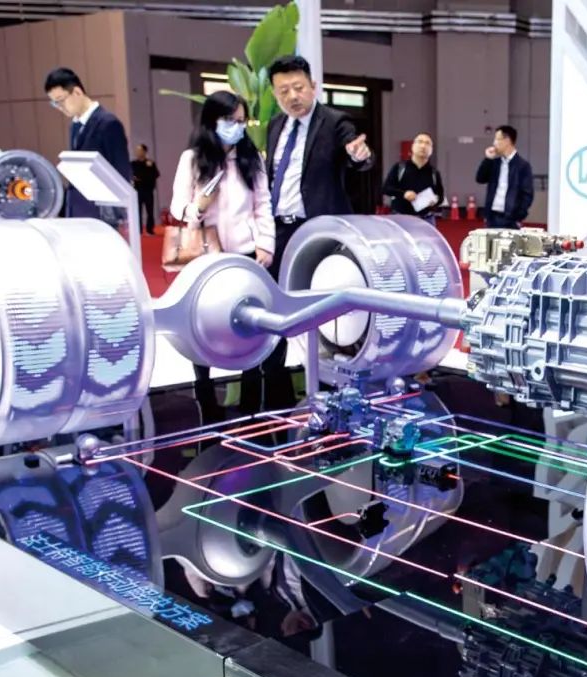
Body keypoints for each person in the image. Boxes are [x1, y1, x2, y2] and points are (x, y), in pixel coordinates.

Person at [261, 54, 373, 410]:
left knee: (324, 305)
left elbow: (359, 155)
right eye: (283, 91)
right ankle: (274, 383)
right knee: (276, 301)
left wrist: (358, 155)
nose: (292, 96)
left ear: (312, 86)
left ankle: (330, 379)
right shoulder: (275, 126)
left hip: (318, 233)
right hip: (279, 230)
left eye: (298, 87)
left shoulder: (335, 122)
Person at [169, 90, 276, 421]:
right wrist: (197, 207)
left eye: (241, 121)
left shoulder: (251, 158)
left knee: (248, 323)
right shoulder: (192, 159)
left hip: (244, 252)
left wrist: (266, 243)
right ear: (212, 121)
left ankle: (250, 402)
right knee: (202, 320)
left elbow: (262, 205)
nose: (237, 127)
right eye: (230, 120)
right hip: (206, 254)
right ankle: (206, 397)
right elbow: (177, 207)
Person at [43, 67, 131, 219]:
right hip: (79, 212)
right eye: (55, 103)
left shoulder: (108, 124)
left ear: (77, 92)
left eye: (61, 100)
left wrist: (117, 217)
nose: (60, 107)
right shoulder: (75, 126)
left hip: (101, 215)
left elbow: (121, 173)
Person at [475, 125, 534, 229]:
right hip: (492, 216)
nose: (494, 143)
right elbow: (480, 179)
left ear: (507, 141)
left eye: (497, 139)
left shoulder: (523, 166)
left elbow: (527, 194)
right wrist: (488, 159)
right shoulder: (495, 163)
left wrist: (519, 215)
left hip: (511, 218)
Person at [382, 132, 444, 220]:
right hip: (401, 217)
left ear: (431, 150)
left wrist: (436, 200)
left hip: (426, 219)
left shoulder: (434, 173)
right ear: (413, 146)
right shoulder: (400, 167)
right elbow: (386, 188)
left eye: (427, 143)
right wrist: (404, 194)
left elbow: (440, 196)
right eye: (420, 142)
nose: (423, 146)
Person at [131, 144, 160, 235]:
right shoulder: (133, 164)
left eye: (140, 150)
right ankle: (138, 230)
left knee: (150, 211)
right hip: (137, 190)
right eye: (137, 151)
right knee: (137, 211)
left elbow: (156, 174)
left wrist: (144, 178)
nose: (138, 152)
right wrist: (134, 178)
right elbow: (130, 174)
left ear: (144, 152)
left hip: (148, 190)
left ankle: (149, 229)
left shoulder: (150, 163)